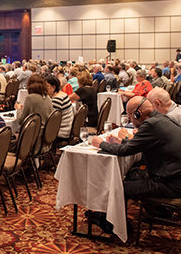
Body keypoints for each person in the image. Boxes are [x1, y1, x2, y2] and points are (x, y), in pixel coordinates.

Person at [91, 97, 181, 231]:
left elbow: (124, 151)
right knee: (133, 174)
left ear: (137, 113)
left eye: (129, 114)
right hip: (174, 178)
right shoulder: (161, 119)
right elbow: (140, 144)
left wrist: (101, 144)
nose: (129, 118)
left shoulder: (150, 125)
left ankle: (112, 224)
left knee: (117, 187)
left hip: (169, 184)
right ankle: (159, 211)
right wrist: (121, 142)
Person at [15, 74, 53, 144]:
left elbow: (21, 121)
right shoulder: (48, 98)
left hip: (33, 140)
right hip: (45, 139)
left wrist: (19, 109)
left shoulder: (30, 98)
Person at [45, 74, 73, 144]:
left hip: (61, 133)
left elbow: (50, 120)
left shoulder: (57, 100)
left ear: (53, 87)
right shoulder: (63, 94)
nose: (44, 89)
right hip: (66, 129)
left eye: (47, 86)